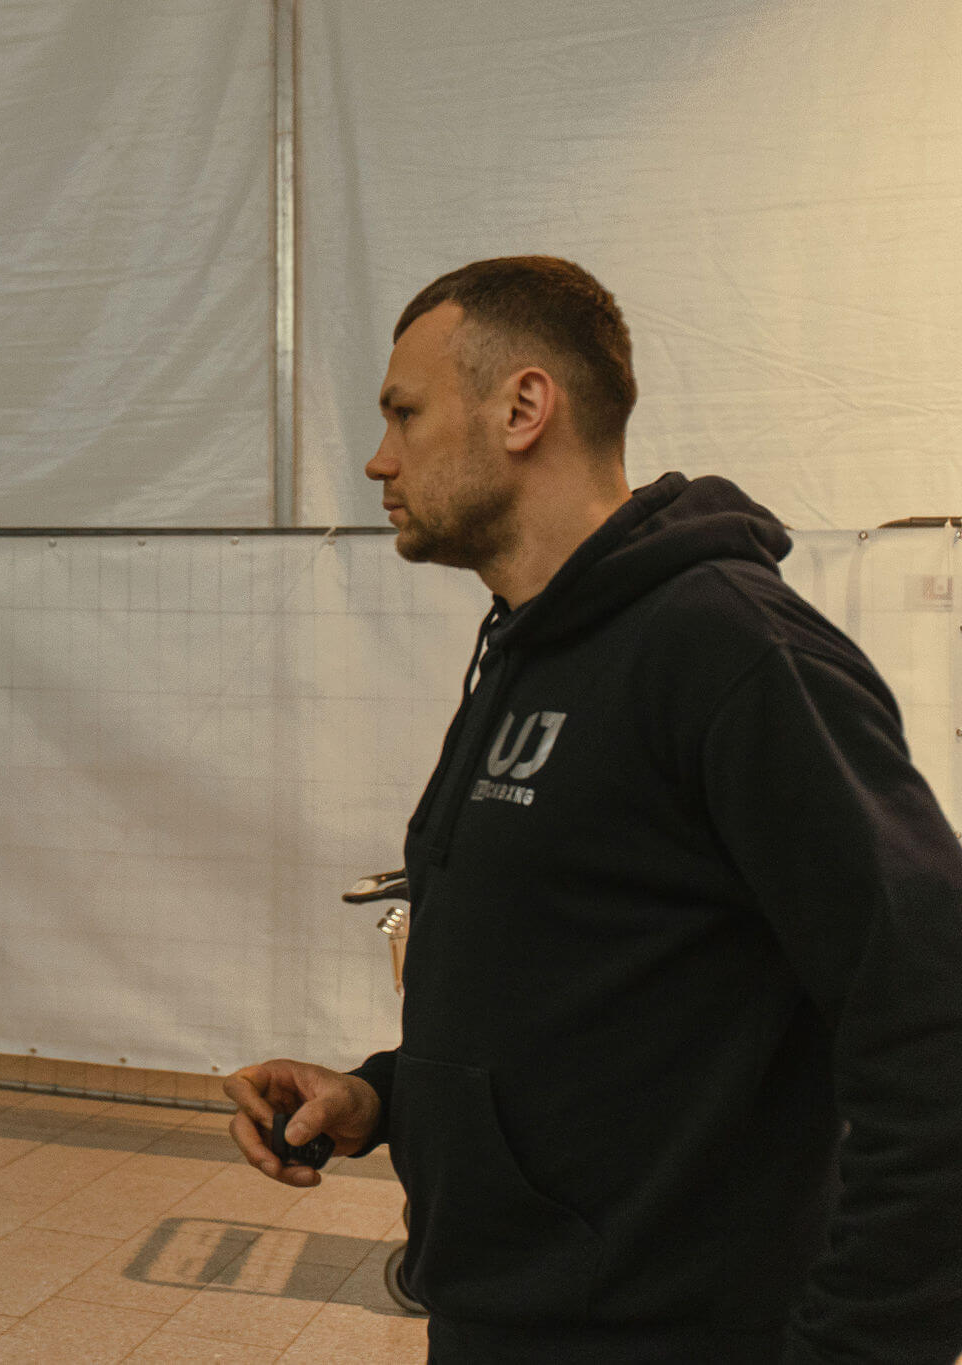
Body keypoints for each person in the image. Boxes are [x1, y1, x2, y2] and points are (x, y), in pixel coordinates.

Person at [225, 257, 962, 1364]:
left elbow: (931, 1019)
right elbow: (584, 1000)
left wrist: (859, 1345)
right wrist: (382, 1098)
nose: (378, 458)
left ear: (524, 407)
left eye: (403, 414)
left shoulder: (729, 652)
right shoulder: (529, 648)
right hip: (507, 1316)